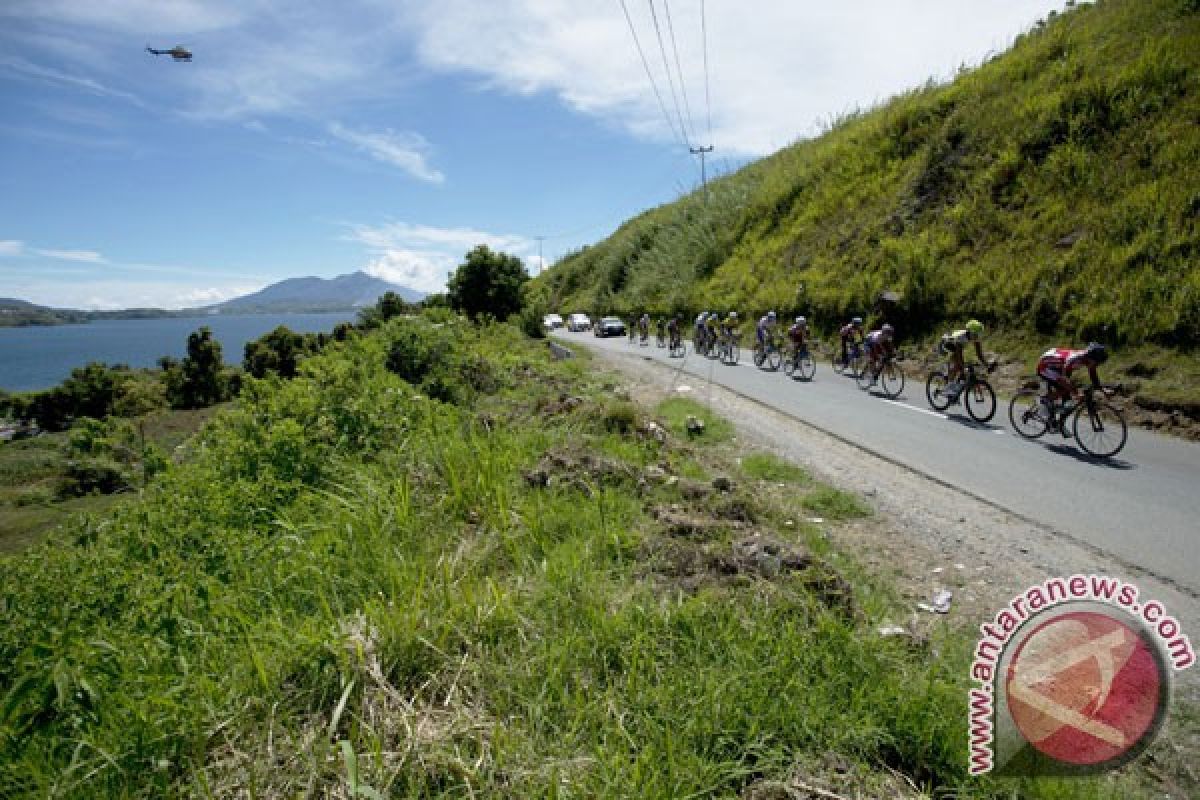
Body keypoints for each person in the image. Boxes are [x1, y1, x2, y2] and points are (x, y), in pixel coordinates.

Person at [1035, 342, 1110, 435]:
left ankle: (1059, 424)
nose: (1097, 365)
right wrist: (1076, 393)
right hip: (1046, 367)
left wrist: (1101, 389)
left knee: (1068, 399)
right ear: (1091, 358)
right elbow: (1064, 378)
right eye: (1097, 362)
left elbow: (1093, 377)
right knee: (1067, 389)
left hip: (1058, 365)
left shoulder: (1088, 359)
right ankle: (1045, 400)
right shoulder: (1074, 360)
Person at [940, 319, 994, 402]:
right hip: (947, 343)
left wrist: (987, 365)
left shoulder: (975, 338)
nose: (977, 336)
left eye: (978, 334)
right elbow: (959, 355)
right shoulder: (961, 337)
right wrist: (963, 366)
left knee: (963, 368)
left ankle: (955, 388)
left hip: (957, 346)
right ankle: (949, 388)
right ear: (970, 332)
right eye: (975, 334)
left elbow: (979, 355)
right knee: (958, 364)